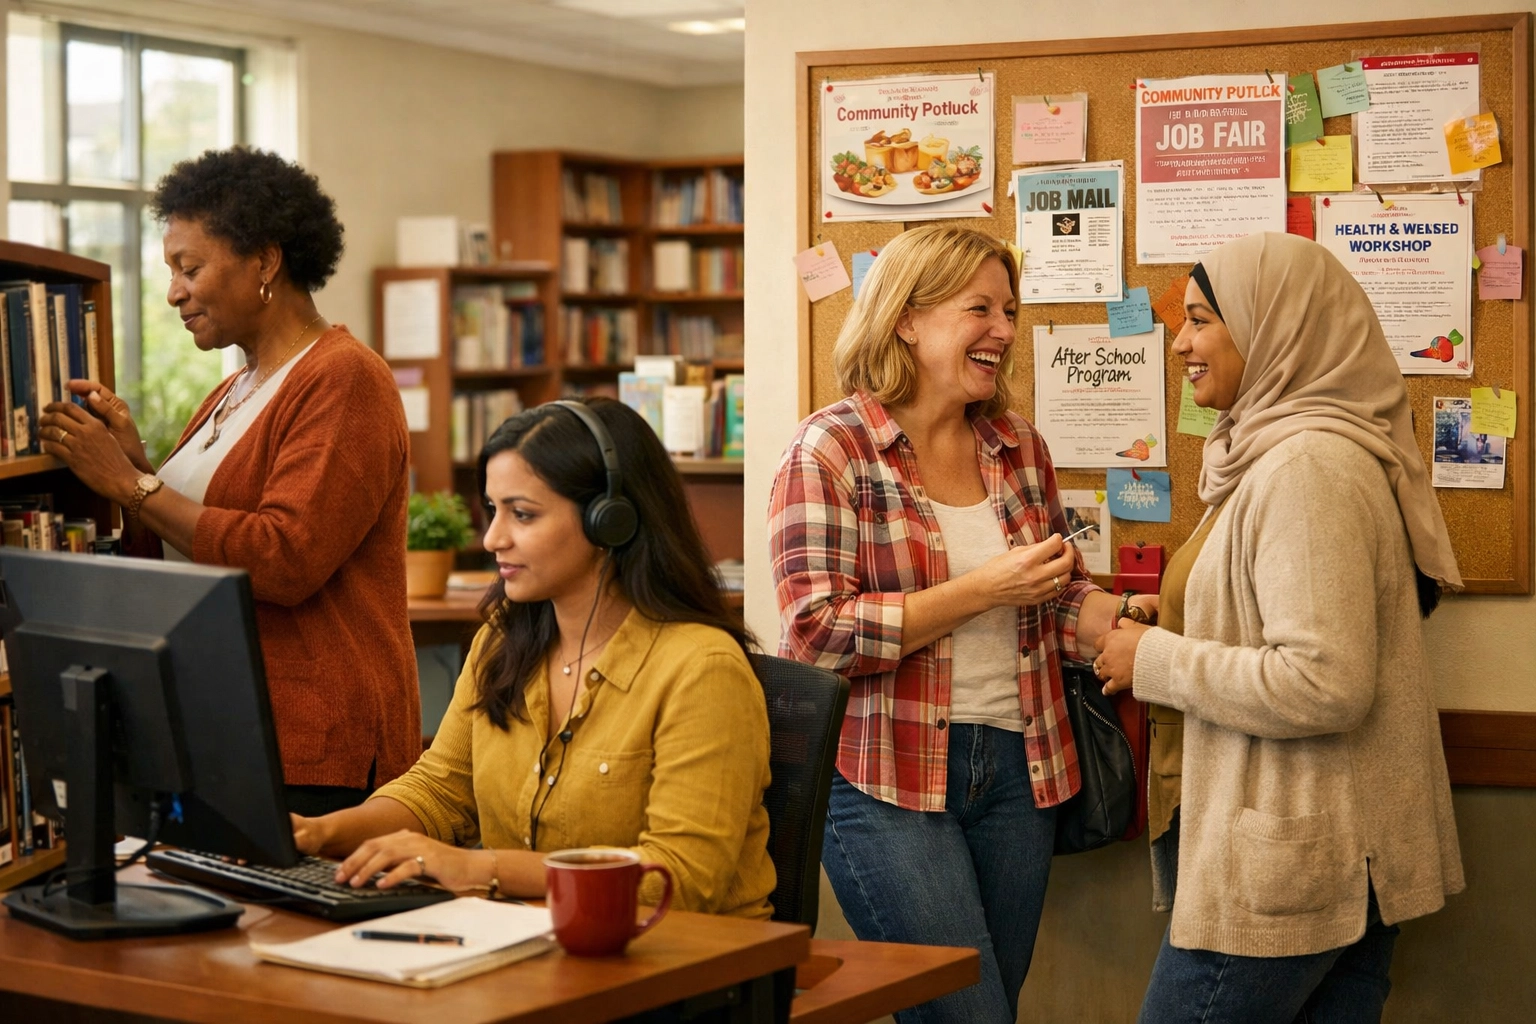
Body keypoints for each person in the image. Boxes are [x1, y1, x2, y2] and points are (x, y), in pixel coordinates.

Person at [769, 223, 1155, 1023]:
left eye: (1008, 311)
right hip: (881, 777)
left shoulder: (1017, 446)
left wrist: (1117, 616)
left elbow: (1052, 598)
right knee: (966, 1017)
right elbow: (817, 636)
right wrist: (980, 589)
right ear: (908, 318)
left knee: (989, 1011)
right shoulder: (832, 450)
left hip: (1022, 768)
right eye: (981, 308)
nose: (1005, 332)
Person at [1092, 232, 1465, 1024]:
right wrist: (1189, 613)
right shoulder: (1283, 453)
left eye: (1200, 319)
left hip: (1290, 873)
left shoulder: (1306, 469)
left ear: (1273, 327)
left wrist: (1153, 658)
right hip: (1322, 860)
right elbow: (1289, 614)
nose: (1181, 342)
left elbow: (1324, 682)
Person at [38, 146, 419, 816]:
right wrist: (139, 470)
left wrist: (132, 487)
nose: (174, 291)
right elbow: (195, 553)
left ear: (266, 261)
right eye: (172, 272)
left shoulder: (345, 378)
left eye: (190, 267)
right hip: (224, 720)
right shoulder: (230, 391)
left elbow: (284, 556)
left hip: (315, 744)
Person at [290, 399, 775, 916]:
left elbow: (681, 878)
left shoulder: (700, 669)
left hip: (683, 966)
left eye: (522, 514)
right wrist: (321, 833)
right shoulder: (504, 642)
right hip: (534, 944)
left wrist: (480, 868)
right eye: (493, 510)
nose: (493, 537)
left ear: (610, 521)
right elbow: (440, 790)